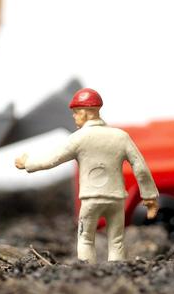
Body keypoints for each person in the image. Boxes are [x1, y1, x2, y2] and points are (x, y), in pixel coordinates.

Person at [14, 87, 160, 263]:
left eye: (76, 113)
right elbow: (140, 167)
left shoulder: (79, 138)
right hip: (115, 198)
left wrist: (28, 163)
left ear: (86, 113)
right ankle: (118, 271)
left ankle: (87, 272)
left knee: (85, 238)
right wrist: (149, 197)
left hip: (91, 199)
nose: (74, 117)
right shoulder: (121, 137)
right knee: (116, 241)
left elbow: (53, 159)